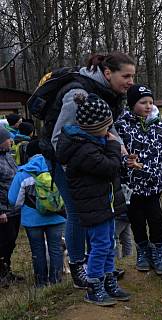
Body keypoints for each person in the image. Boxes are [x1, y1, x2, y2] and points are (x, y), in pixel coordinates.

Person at [44, 52, 135, 291]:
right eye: (126, 76)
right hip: (65, 162)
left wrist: (123, 152)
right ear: (108, 73)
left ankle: (99, 266)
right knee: (77, 212)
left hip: (90, 161)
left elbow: (109, 125)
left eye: (132, 76)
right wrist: (75, 172)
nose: (130, 82)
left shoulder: (111, 93)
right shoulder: (78, 94)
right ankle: (78, 268)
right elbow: (58, 138)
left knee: (100, 212)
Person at [56, 93, 130, 306]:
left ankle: (108, 280)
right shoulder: (84, 149)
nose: (110, 131)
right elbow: (109, 168)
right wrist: (115, 147)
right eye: (107, 126)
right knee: (99, 246)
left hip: (103, 204)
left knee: (109, 244)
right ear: (95, 127)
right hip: (93, 207)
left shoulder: (94, 143)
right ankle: (93, 285)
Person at [116, 84, 162, 276]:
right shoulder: (122, 124)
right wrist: (126, 161)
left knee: (156, 218)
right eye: (143, 102)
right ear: (133, 103)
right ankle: (142, 252)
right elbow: (115, 150)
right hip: (132, 185)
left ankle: (158, 254)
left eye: (151, 102)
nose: (148, 106)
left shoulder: (159, 125)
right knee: (136, 219)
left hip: (154, 183)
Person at [7, 151, 66, 287]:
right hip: (57, 218)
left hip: (32, 220)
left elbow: (13, 200)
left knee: (37, 251)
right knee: (56, 249)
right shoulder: (58, 171)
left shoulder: (23, 173)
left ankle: (41, 283)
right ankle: (56, 282)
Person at [0, 127, 23, 286]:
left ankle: (7, 270)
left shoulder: (8, 156)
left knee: (11, 241)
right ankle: (1, 274)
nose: (11, 141)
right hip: (4, 211)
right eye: (8, 139)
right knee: (3, 241)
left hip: (15, 208)